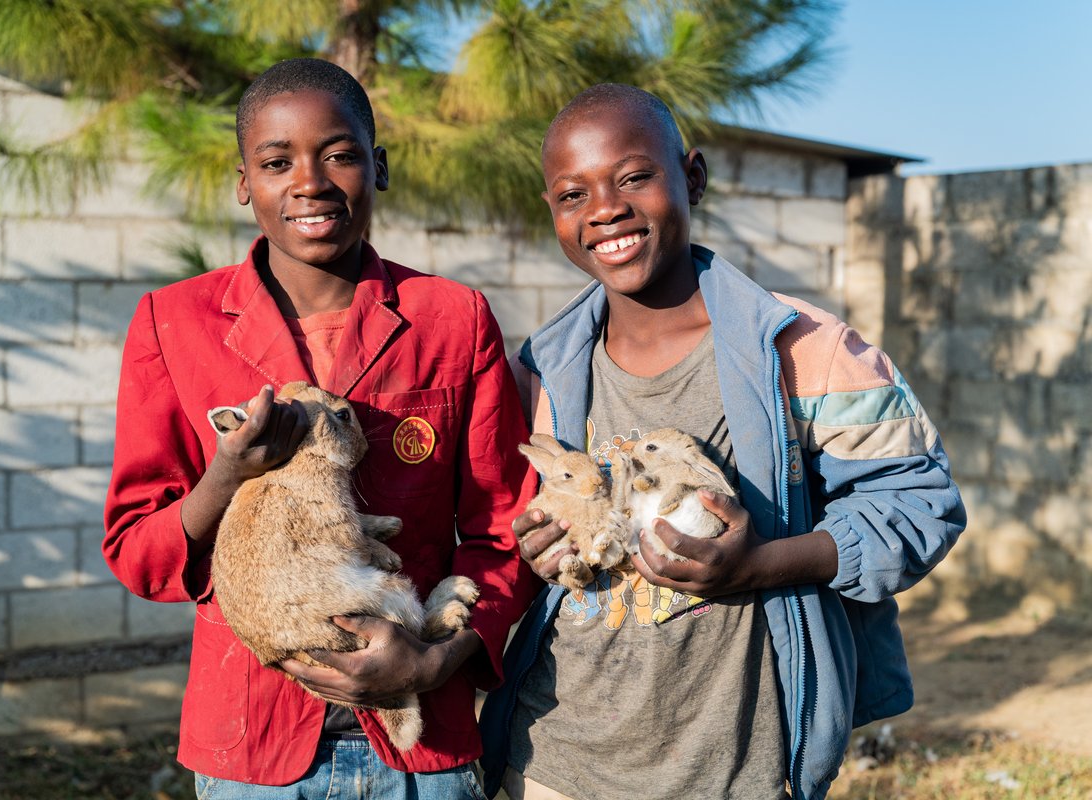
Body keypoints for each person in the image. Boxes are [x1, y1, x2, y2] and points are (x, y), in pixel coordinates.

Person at [478, 84, 966, 800]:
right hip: (553, 758)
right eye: (572, 194)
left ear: (693, 178)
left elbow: (919, 506)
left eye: (635, 177)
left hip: (734, 766)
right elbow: (519, 526)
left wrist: (761, 564)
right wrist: (543, 544)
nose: (605, 208)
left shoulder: (805, 352)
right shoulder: (543, 370)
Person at [103, 58, 536, 799]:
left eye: (339, 154)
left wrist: (441, 657)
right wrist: (227, 475)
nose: (309, 181)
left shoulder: (451, 318)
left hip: (421, 741)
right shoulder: (175, 324)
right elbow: (137, 551)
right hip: (254, 751)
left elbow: (507, 530)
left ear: (380, 166)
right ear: (245, 182)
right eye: (277, 162)